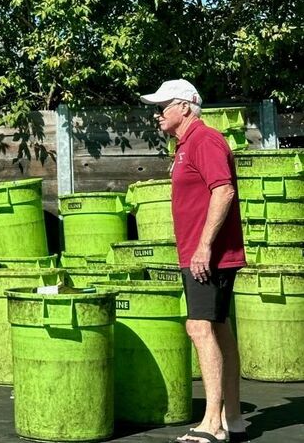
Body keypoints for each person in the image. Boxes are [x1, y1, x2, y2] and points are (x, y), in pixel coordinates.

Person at [140, 80, 247, 443]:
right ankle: (232, 416)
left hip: (208, 256)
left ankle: (212, 425)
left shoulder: (205, 140)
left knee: (199, 328)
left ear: (184, 107)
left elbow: (224, 189)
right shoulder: (185, 145)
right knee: (217, 328)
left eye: (163, 106)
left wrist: (203, 248)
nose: (158, 114)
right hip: (200, 253)